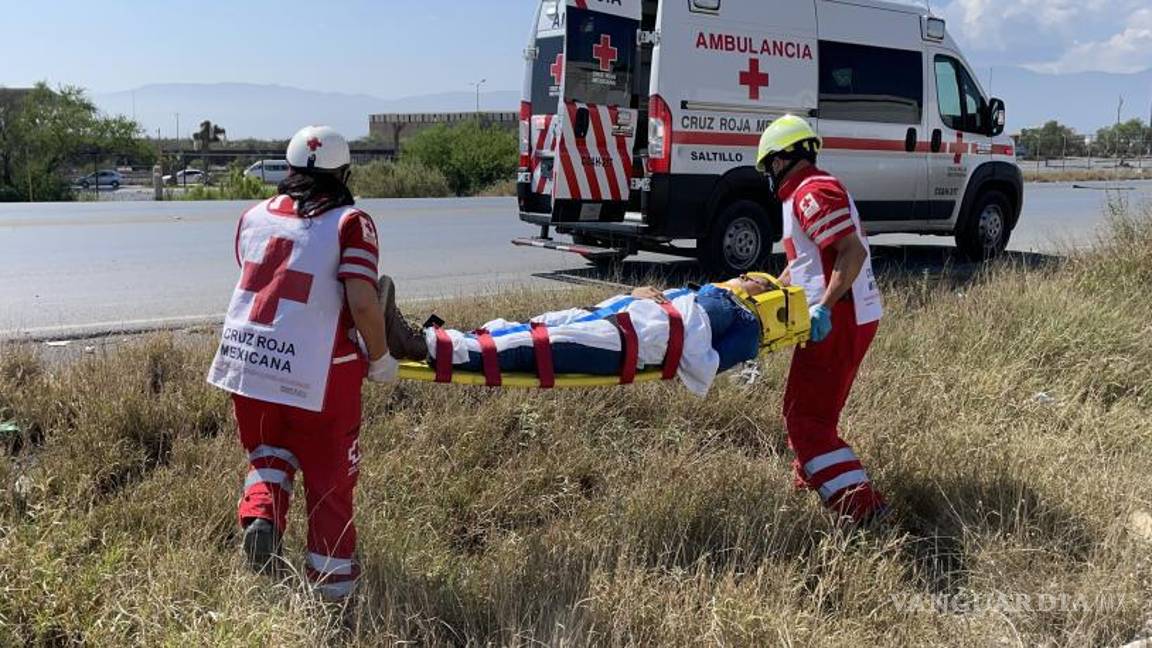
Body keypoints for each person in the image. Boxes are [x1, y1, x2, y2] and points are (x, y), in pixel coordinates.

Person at [206, 125, 398, 600]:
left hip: (248, 364)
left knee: (268, 453)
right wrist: (380, 358)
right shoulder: (351, 222)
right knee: (331, 481)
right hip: (320, 374)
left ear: (288, 170)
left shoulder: (252, 216)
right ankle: (333, 596)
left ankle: (262, 515)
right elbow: (363, 301)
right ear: (345, 174)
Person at [755, 115, 888, 524]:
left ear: (781, 159)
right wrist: (771, 288)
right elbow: (808, 261)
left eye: (769, 166)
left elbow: (851, 252)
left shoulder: (812, 192)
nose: (770, 175)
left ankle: (862, 509)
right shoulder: (804, 194)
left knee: (805, 419)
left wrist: (824, 308)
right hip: (839, 317)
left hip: (839, 318)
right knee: (811, 412)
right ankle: (813, 481)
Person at [381, 273, 784, 396]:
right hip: (611, 316)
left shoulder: (744, 322)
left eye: (754, 279)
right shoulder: (706, 294)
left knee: (531, 347)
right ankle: (423, 336)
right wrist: (634, 294)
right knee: (521, 327)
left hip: (627, 342)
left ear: (763, 293)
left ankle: (417, 344)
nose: (741, 277)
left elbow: (705, 365)